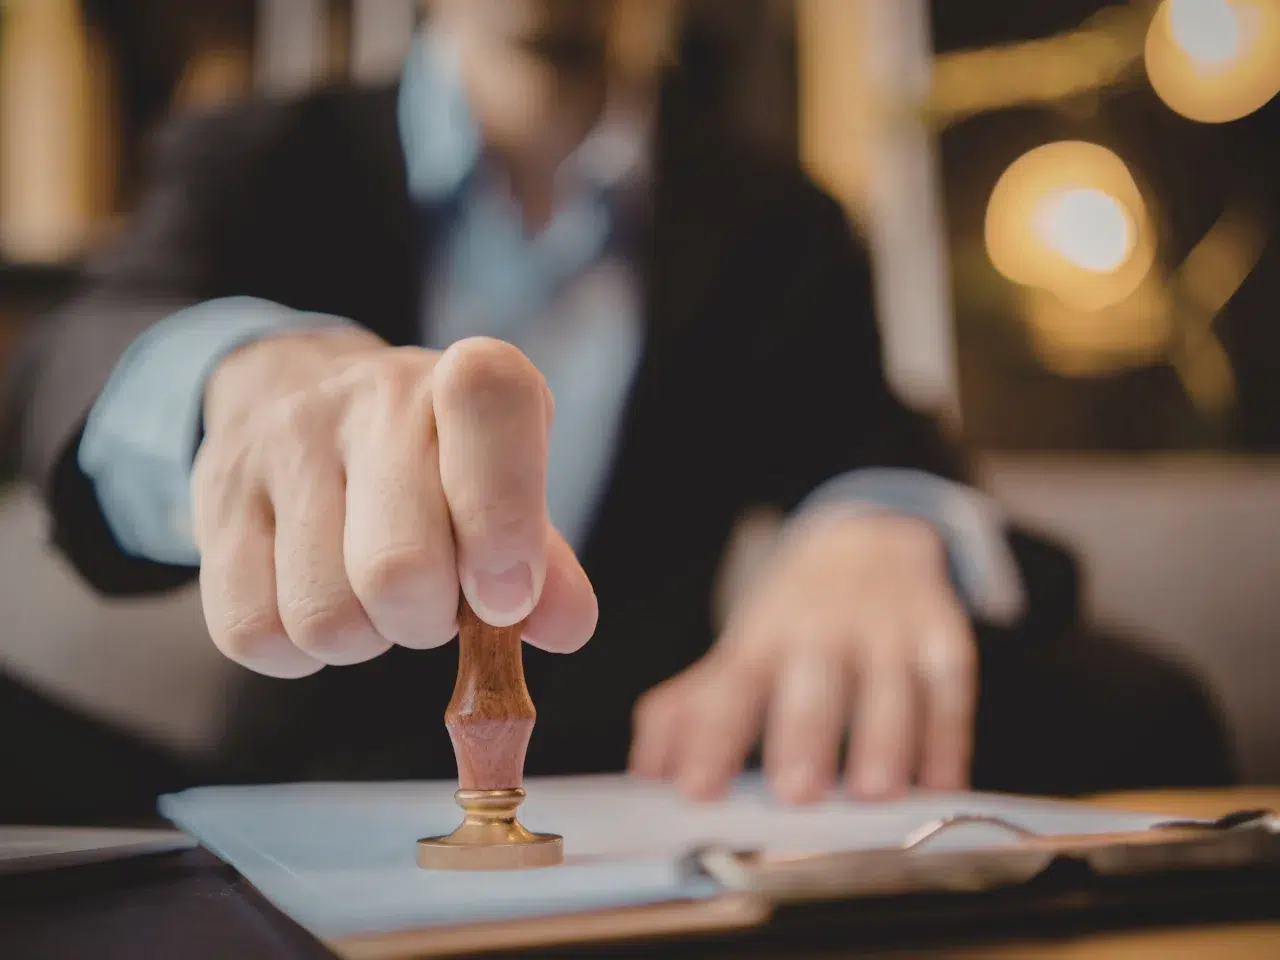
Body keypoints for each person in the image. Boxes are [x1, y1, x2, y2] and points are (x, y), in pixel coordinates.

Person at [2, 0, 1233, 818]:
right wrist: (236, 377)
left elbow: (882, 443)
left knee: (1139, 709)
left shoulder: (777, 222)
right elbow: (73, 353)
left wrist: (879, 522)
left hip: (646, 788)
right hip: (295, 794)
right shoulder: (260, 157)